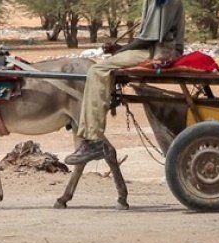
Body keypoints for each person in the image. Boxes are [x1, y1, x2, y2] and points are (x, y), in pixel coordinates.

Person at [65, 0, 185, 165]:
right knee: (104, 67)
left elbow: (148, 40)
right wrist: (121, 49)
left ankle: (93, 139)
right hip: (154, 49)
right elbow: (148, 38)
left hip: (160, 52)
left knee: (97, 70)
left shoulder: (162, 2)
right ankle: (92, 125)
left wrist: (121, 50)